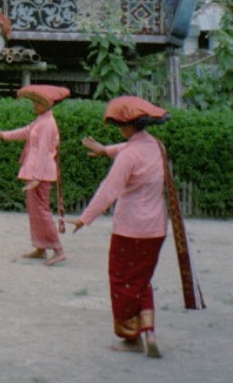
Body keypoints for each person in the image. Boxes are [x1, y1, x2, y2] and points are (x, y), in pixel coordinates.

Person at [69, 95, 180, 358]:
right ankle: (149, 332)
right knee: (142, 281)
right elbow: (125, 149)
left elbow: (109, 191)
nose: (119, 129)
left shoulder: (128, 155)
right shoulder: (156, 146)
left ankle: (131, 338)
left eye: (120, 125)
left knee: (121, 282)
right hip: (156, 229)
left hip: (130, 229)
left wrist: (85, 218)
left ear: (128, 126)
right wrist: (105, 149)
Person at [0, 84, 69, 266]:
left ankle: (57, 249)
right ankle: (41, 247)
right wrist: (4, 135)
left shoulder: (48, 123)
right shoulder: (41, 120)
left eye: (36, 103)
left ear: (45, 104)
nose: (34, 106)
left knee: (41, 211)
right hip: (35, 171)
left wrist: (36, 177)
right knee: (35, 210)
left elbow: (43, 152)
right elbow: (26, 132)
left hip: (40, 173)